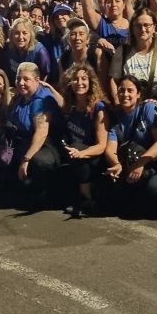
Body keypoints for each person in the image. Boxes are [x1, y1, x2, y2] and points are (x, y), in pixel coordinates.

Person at [102, 75, 157, 216]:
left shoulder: (148, 109)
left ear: (138, 94)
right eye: (121, 90)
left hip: (153, 162)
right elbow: (110, 148)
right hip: (130, 162)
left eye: (130, 90)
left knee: (154, 190)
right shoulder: (115, 115)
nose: (125, 94)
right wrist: (116, 164)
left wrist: (140, 163)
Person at [57, 64, 108, 218]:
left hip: (94, 158)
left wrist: (81, 153)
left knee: (77, 148)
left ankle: (88, 198)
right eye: (75, 79)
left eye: (84, 79)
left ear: (91, 82)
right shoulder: (70, 106)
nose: (80, 83)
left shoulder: (98, 107)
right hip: (76, 155)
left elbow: (101, 146)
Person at [7, 62, 63, 201]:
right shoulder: (21, 96)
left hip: (48, 143)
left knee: (37, 161)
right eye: (18, 78)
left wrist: (26, 159)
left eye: (26, 79)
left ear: (37, 80)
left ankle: (45, 192)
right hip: (25, 138)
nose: (21, 83)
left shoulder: (41, 99)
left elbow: (41, 133)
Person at [109, 9, 157, 102]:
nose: (143, 29)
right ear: (132, 28)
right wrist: (117, 103)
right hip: (128, 103)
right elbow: (114, 80)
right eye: (138, 26)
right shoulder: (123, 51)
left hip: (156, 103)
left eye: (147, 25)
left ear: (154, 28)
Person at [1, 18, 51, 86]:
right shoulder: (7, 49)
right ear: (11, 35)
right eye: (17, 33)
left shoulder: (40, 52)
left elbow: (46, 76)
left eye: (24, 33)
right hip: (13, 88)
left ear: (31, 34)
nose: (20, 37)